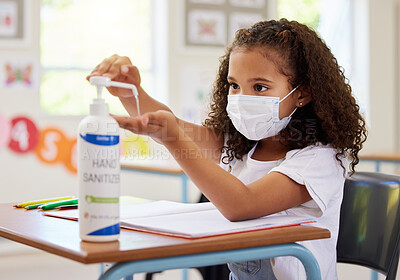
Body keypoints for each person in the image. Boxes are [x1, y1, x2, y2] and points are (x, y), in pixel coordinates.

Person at [87, 19, 367, 280]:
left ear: (302, 93)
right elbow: (170, 126)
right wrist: (132, 93)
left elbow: (242, 204)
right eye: (234, 85)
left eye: (259, 87)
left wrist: (173, 139)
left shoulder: (320, 159)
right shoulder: (244, 145)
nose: (242, 98)